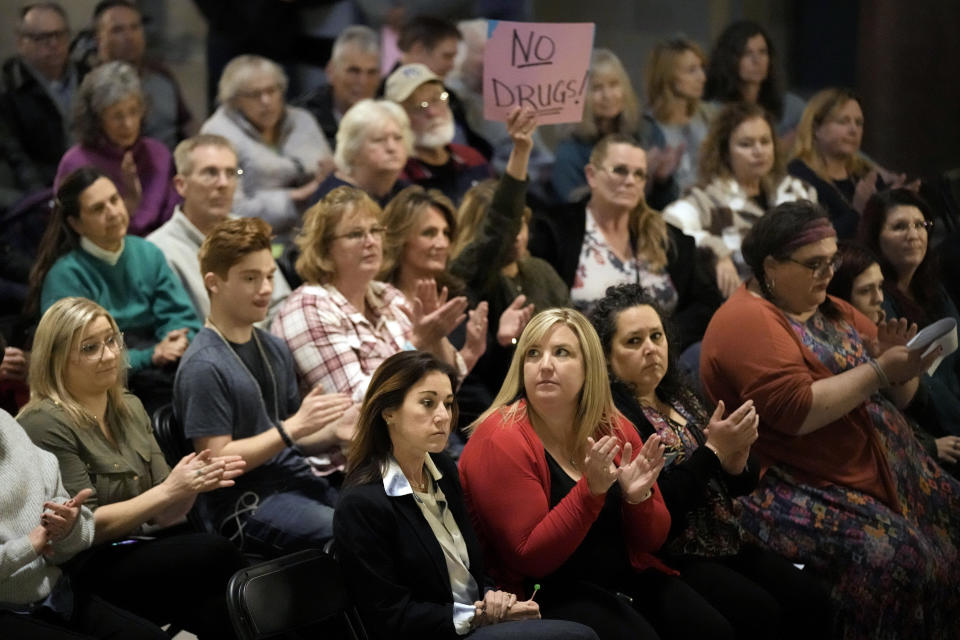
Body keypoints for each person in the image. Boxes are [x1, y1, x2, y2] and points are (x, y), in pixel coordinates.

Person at [699, 200, 960, 638]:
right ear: (771, 266)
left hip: (878, 463)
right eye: (815, 263)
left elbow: (900, 397)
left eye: (832, 259)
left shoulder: (829, 306)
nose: (828, 272)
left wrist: (903, 370)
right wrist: (878, 371)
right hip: (796, 481)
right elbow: (797, 412)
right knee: (900, 557)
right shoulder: (745, 320)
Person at [460, 308, 749, 640]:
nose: (545, 365)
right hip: (544, 593)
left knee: (712, 629)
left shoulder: (613, 426)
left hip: (620, 574)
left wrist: (638, 499)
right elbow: (530, 559)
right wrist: (590, 492)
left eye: (562, 353)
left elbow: (651, 541)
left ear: (589, 367)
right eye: (533, 354)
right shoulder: (501, 436)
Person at [589, 283, 835, 639]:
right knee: (761, 614)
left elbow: (737, 483)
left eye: (656, 336)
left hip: (724, 539)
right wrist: (713, 453)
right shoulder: (613, 418)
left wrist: (736, 460)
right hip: (675, 556)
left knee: (813, 599)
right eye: (633, 341)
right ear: (607, 358)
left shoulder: (681, 394)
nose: (651, 349)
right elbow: (654, 509)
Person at [18, 297, 246, 639]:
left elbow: (165, 514)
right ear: (56, 359)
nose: (110, 355)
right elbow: (85, 526)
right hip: (80, 566)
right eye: (90, 348)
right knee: (217, 555)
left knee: (218, 600)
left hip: (134, 547)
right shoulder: (44, 422)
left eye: (112, 340)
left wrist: (192, 485)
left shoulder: (129, 406)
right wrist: (171, 489)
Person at [334, 350, 599, 640]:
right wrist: (478, 615)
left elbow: (474, 572)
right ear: (388, 412)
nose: (443, 417)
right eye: (427, 403)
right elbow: (391, 617)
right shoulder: (362, 503)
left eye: (447, 404)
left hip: (476, 624)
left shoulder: (443, 469)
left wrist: (491, 596)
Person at [175, 217, 354, 551]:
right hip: (245, 503)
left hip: (295, 481)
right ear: (214, 282)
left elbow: (291, 436)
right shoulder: (203, 364)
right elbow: (215, 459)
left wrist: (332, 432)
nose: (266, 289)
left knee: (381, 519)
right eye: (250, 278)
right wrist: (290, 430)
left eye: (270, 276)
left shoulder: (273, 346)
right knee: (352, 534)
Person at [272, 186, 468, 403]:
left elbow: (452, 382)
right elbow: (354, 404)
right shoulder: (308, 306)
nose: (371, 241)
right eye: (356, 234)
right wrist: (419, 343)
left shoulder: (387, 295)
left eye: (375, 231)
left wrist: (436, 337)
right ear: (324, 248)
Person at [30, 168, 200, 414]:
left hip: (163, 363)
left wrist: (176, 339)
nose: (112, 212)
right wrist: (153, 355)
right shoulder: (66, 275)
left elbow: (182, 317)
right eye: (98, 209)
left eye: (114, 200)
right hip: (109, 380)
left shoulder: (147, 252)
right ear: (75, 224)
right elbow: (76, 357)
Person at [530, 134, 721, 349]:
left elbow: (706, 304)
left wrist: (660, 338)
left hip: (663, 359)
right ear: (591, 175)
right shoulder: (555, 230)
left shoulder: (667, 237)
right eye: (619, 170)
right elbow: (539, 306)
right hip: (590, 360)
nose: (630, 180)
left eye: (639, 174)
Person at [0, 402, 169, 640]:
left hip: (52, 592)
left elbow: (64, 545)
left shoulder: (6, 424)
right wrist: (28, 546)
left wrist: (66, 528)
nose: (108, 361)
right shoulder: (42, 421)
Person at [827, 240, 960, 473]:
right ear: (840, 296)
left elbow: (911, 403)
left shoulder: (878, 329)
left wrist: (904, 367)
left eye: (879, 287)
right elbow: (871, 426)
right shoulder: (839, 349)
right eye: (866, 290)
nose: (878, 298)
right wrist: (929, 446)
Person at [663, 102, 816, 297]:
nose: (758, 151)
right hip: (746, 307)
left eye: (765, 141)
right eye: (746, 144)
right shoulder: (707, 197)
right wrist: (717, 251)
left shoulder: (797, 191)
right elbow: (667, 225)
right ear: (725, 152)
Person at [147, 134, 292, 325]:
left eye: (231, 173)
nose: (223, 183)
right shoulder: (158, 251)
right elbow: (186, 330)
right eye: (210, 173)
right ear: (181, 185)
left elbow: (282, 307)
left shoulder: (250, 231)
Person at [858, 189, 960, 439]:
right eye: (899, 227)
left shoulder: (930, 284)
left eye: (920, 225)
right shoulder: (875, 298)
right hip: (925, 425)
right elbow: (906, 391)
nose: (914, 235)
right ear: (876, 238)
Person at [200, 54, 334, 235]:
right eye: (255, 95)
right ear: (234, 100)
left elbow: (330, 174)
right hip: (252, 240)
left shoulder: (303, 120)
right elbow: (233, 209)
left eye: (272, 91)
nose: (266, 101)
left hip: (314, 234)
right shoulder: (219, 135)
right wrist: (296, 197)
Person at [55, 61, 179, 236]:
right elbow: (67, 232)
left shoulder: (158, 154)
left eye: (133, 112)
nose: (128, 124)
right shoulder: (76, 162)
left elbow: (174, 219)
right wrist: (128, 205)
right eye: (117, 116)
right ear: (97, 119)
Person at [552, 49, 677, 209]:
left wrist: (662, 180)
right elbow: (570, 209)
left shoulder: (647, 131)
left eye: (614, 84)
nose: (608, 95)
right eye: (597, 88)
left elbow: (665, 205)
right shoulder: (570, 149)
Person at [787, 88, 914, 239]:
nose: (854, 130)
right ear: (816, 128)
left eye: (859, 123)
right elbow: (809, 242)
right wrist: (858, 211)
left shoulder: (865, 173)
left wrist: (895, 203)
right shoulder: (798, 176)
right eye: (843, 121)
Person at [446, 19, 555, 193]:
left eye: (493, 52)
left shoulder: (513, 95)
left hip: (531, 186)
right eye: (480, 52)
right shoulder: (452, 101)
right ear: (460, 56)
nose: (488, 60)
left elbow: (541, 156)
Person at [385, 63, 492, 205]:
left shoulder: (472, 159)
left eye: (436, 99)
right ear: (399, 118)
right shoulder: (397, 175)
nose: (432, 112)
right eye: (418, 106)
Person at [91, 0, 193, 149]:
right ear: (99, 39)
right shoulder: (92, 85)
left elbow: (188, 123)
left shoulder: (161, 74)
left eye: (135, 27)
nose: (129, 37)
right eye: (118, 30)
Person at [1, 2, 78, 191]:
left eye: (59, 35)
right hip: (42, 193)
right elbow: (17, 160)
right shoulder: (8, 90)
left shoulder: (88, 75)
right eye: (42, 38)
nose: (53, 44)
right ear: (21, 43)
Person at [392, 15, 491, 158]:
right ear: (418, 49)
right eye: (447, 56)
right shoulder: (384, 98)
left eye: (437, 101)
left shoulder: (451, 95)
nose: (452, 65)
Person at [703, 20, 806, 145]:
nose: (757, 60)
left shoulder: (792, 108)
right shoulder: (711, 111)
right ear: (729, 59)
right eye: (747, 53)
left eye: (763, 52)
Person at [644, 37, 715, 194]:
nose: (702, 77)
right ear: (668, 76)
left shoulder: (709, 116)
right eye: (691, 70)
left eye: (701, 68)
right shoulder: (646, 127)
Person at [296, 25, 381, 150]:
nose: (363, 81)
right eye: (353, 71)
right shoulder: (304, 118)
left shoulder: (390, 116)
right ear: (331, 71)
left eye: (371, 72)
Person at [314, 98, 412, 208]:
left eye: (398, 138)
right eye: (379, 139)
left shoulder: (406, 193)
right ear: (352, 149)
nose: (392, 147)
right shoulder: (335, 201)